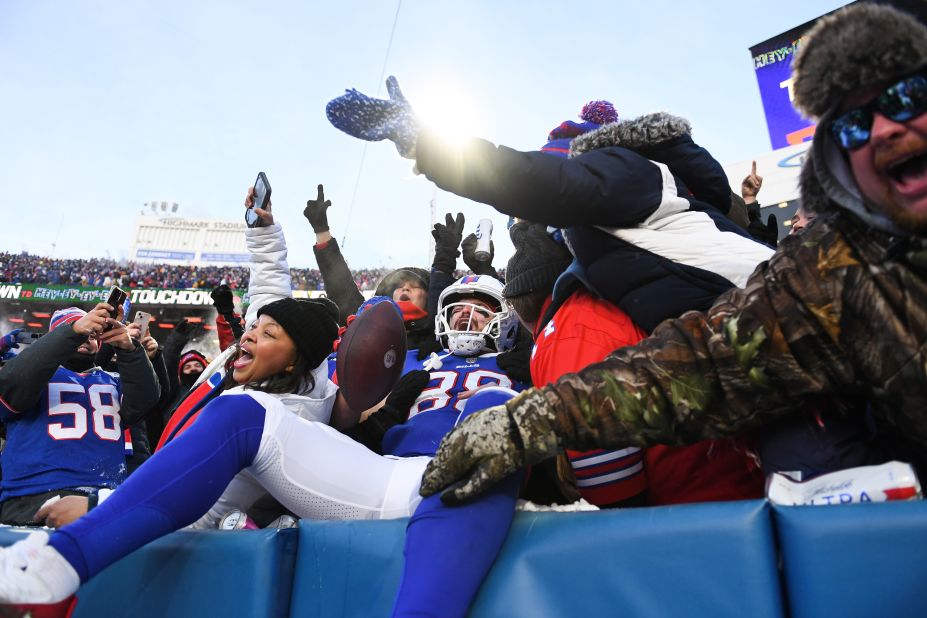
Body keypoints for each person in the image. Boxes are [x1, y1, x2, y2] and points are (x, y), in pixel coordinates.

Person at [414, 3, 927, 504]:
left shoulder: (614, 196)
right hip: (749, 357)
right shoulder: (827, 276)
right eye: (855, 124)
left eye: (907, 96)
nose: (884, 129)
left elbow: (544, 182)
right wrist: (532, 424)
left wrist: (436, 152)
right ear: (839, 160)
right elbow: (697, 366)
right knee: (812, 471)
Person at [0, 305, 159, 526]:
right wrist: (72, 331)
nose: (88, 338)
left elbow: (145, 400)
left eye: (94, 334)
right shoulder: (34, 375)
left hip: (103, 499)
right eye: (84, 332)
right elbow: (11, 384)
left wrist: (129, 350)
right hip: (33, 496)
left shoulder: (113, 379)